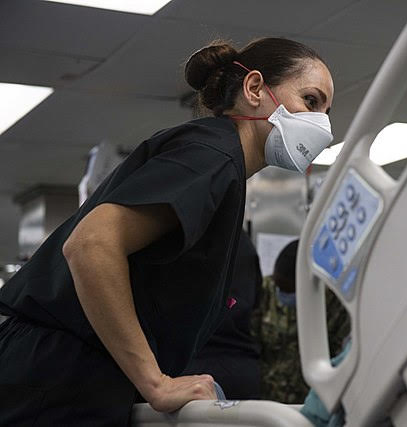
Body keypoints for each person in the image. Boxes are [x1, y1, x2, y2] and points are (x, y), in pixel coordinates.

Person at [0, 36, 334, 425]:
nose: (323, 125)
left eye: (326, 111)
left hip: (70, 372)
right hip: (57, 374)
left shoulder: (220, 163)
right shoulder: (213, 156)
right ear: (255, 88)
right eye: (311, 101)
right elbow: (91, 244)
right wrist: (155, 382)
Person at [253, 239, 349, 403]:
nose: (282, 294)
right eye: (279, 287)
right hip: (266, 400)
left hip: (309, 402)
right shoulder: (265, 291)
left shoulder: (335, 305)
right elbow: (252, 344)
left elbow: (338, 361)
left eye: (289, 290)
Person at [182, 230, 262, 400]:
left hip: (190, 365)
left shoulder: (188, 235)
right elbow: (256, 300)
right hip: (241, 367)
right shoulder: (243, 241)